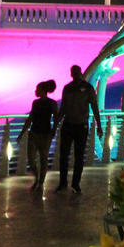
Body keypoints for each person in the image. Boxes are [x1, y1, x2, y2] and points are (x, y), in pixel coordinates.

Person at [54, 65, 103, 193]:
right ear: (71, 74)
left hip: (81, 125)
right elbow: (63, 108)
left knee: (79, 156)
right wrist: (55, 125)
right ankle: (63, 182)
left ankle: (76, 184)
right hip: (68, 124)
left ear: (80, 73)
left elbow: (94, 106)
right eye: (73, 72)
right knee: (63, 155)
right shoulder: (67, 88)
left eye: (76, 72)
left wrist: (99, 125)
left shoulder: (88, 88)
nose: (75, 74)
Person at [17, 79, 58, 190]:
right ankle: (37, 177)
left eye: (38, 89)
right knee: (31, 159)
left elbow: (56, 118)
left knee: (43, 158)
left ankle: (40, 182)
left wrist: (53, 130)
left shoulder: (52, 103)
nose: (36, 91)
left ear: (43, 90)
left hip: (45, 134)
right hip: (34, 133)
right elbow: (30, 118)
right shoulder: (35, 103)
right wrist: (22, 133)